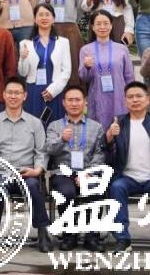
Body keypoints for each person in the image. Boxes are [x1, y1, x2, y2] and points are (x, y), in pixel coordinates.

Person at [101, 81, 150, 253]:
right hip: (127, 177)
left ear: (148, 99)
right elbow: (107, 155)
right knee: (116, 187)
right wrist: (109, 137)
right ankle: (122, 239)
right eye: (130, 97)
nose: (134, 100)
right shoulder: (118, 123)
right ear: (125, 101)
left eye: (139, 96)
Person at [0, 77, 51, 251]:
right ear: (4, 95)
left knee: (34, 186)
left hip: (25, 173)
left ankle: (43, 231)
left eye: (17, 93)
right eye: (10, 93)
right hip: (1, 172)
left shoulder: (35, 123)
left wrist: (37, 170)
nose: (13, 96)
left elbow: (41, 151)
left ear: (24, 96)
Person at [43, 84, 105, 252]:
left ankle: (92, 237)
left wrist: (88, 173)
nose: (74, 103)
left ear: (85, 102)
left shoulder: (96, 127)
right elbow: (49, 150)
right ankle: (70, 235)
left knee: (96, 188)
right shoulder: (55, 126)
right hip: (63, 172)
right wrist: (62, 139)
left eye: (78, 100)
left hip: (88, 172)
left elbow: (100, 154)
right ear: (64, 103)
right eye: (70, 100)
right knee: (66, 192)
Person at [76, 11, 135, 129]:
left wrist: (132, 96)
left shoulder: (122, 49)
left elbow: (129, 77)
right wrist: (86, 66)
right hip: (97, 97)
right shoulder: (86, 50)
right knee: (99, 132)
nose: (102, 27)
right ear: (93, 27)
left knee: (120, 131)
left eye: (106, 23)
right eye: (98, 24)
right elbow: (83, 77)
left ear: (111, 26)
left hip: (119, 97)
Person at [38, 0, 85, 85]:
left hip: (70, 28)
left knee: (73, 64)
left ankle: (74, 94)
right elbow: (39, 8)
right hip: (49, 29)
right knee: (51, 64)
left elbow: (80, 7)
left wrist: (72, 19)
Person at [18, 3, 71, 121]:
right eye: (40, 15)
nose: (44, 18)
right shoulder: (25, 43)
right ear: (35, 19)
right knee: (34, 124)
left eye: (47, 14)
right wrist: (22, 58)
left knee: (55, 124)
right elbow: (23, 72)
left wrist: (53, 90)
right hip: (33, 91)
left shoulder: (63, 42)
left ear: (53, 19)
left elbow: (67, 71)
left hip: (54, 90)